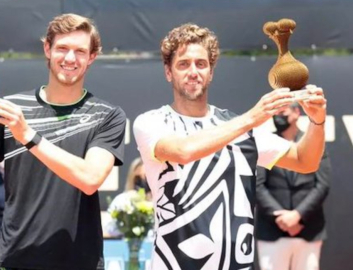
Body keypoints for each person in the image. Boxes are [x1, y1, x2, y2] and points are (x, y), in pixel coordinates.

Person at [133, 23, 327, 270]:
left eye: (201, 64)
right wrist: (251, 118)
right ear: (168, 72)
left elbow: (304, 160)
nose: (193, 71)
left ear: (211, 72)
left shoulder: (237, 126)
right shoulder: (151, 121)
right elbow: (183, 152)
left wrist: (317, 120)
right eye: (183, 64)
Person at [0, 13, 126, 270]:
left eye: (80, 51)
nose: (70, 58)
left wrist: (28, 135)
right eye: (62, 48)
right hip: (15, 262)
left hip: (80, 263)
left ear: (92, 57)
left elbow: (90, 179)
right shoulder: (12, 110)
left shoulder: (107, 115)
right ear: (47, 49)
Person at [256, 103, 331, 270]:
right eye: (275, 113)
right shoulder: (266, 142)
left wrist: (297, 215)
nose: (278, 117)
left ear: (297, 112)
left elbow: (322, 184)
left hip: (308, 230)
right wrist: (281, 218)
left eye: (283, 112)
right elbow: (258, 185)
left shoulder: (314, 143)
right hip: (272, 230)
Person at [106, 157, 151, 237]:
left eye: (145, 178)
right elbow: (109, 229)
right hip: (128, 245)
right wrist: (125, 222)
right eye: (137, 178)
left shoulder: (159, 201)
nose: (142, 183)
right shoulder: (122, 200)